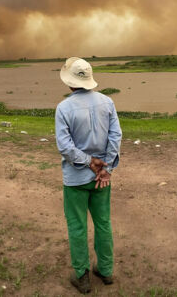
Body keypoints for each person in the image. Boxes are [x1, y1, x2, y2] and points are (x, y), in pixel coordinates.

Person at [55, 57, 122, 294]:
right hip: (101, 179)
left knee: (77, 226)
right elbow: (115, 137)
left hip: (75, 179)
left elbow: (65, 147)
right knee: (103, 223)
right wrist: (106, 169)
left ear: (70, 82)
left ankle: (82, 275)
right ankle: (105, 270)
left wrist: (87, 162)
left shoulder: (64, 108)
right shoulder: (107, 102)